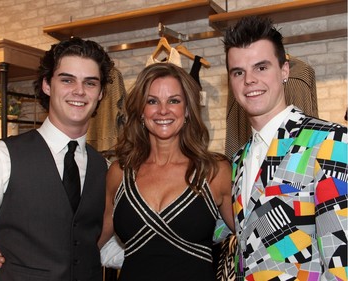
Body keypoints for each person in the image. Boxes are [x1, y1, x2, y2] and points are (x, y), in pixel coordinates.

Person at [0, 37, 114, 281]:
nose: (79, 91)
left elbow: (98, 247)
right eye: (67, 80)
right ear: (47, 85)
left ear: (101, 93)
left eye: (90, 83)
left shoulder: (106, 168)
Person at [224, 16, 347, 281]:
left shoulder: (330, 142)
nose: (249, 80)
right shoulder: (237, 161)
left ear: (284, 71)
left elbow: (342, 264)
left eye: (261, 67)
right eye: (238, 72)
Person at [97, 62, 234, 281]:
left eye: (174, 101)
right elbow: (94, 241)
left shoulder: (214, 171)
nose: (163, 110)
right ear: (141, 110)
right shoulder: (119, 172)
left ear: (187, 109)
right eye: (152, 101)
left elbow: (250, 240)